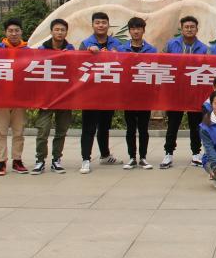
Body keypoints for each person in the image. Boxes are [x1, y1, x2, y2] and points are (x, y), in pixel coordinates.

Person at [78, 11, 124, 174]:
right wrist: (88, 53)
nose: (101, 25)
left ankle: (105, 155)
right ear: (92, 25)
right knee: (89, 127)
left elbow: (124, 63)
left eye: (104, 22)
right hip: (90, 92)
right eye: (97, 22)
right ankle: (85, 159)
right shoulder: (85, 44)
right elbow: (78, 64)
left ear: (108, 25)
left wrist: (116, 55)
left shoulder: (116, 44)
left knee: (104, 126)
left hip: (109, 91)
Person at [162, 15, 209, 169]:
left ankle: (196, 154)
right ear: (181, 29)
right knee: (173, 124)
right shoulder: (171, 45)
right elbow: (162, 63)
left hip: (195, 92)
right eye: (186, 27)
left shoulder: (204, 48)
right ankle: (168, 153)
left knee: (195, 125)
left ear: (197, 29)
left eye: (192, 27)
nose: (189, 29)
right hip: (176, 91)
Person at [0, 18, 30, 176]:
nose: (14, 34)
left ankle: (17, 160)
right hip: (0, 98)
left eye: (17, 30)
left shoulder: (28, 51)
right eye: (10, 31)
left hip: (19, 98)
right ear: (5, 33)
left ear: (21, 32)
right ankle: (1, 162)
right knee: (1, 131)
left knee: (19, 131)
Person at [32, 18, 75, 175]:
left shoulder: (71, 50)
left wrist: (69, 56)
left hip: (64, 96)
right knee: (42, 130)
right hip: (46, 98)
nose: (59, 32)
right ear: (51, 31)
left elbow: (75, 71)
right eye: (57, 29)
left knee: (61, 131)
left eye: (62, 30)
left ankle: (56, 160)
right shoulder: (42, 50)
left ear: (66, 32)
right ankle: (40, 160)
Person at [121, 17, 158, 171]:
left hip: (144, 95)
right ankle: (131, 157)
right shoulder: (122, 49)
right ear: (129, 31)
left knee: (143, 128)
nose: (136, 31)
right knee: (130, 128)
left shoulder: (152, 50)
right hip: (128, 94)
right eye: (133, 29)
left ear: (143, 30)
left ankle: (143, 157)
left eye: (139, 28)